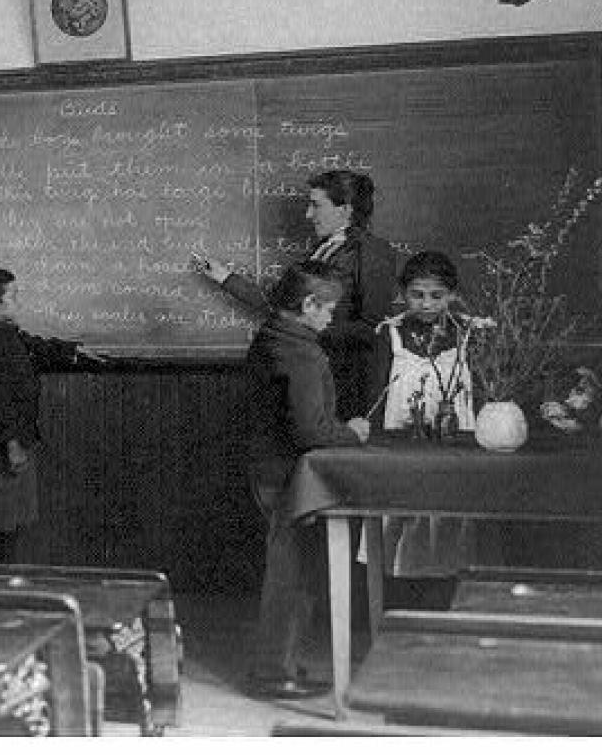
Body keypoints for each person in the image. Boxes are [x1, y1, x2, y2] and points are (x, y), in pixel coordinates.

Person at [244, 260, 370, 700]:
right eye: (328, 309)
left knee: (290, 572)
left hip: (269, 471)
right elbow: (311, 431)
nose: (331, 317)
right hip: (290, 477)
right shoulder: (301, 351)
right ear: (309, 304)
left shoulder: (272, 338)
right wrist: (351, 433)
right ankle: (274, 674)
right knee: (291, 576)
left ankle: (284, 666)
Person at [195, 170, 397, 420]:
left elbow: (371, 327)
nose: (308, 214)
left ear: (344, 210)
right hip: (303, 370)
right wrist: (225, 278)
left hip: (339, 377)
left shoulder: (372, 252)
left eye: (316, 205)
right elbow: (281, 305)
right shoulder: (323, 249)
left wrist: (306, 332)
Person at [369, 250, 491, 594]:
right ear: (403, 295)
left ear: (453, 294)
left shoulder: (469, 333)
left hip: (457, 449)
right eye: (416, 295)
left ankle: (450, 593)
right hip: (402, 448)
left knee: (452, 517)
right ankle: (396, 595)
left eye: (437, 296)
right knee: (402, 516)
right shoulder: (389, 334)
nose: (426, 304)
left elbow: (481, 392)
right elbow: (376, 396)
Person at [0, 268, 100, 564]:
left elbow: (32, 345)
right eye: (12, 295)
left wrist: (72, 351)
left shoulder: (3, 332)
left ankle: (3, 582)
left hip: (11, 440)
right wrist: (11, 443)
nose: (18, 300)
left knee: (10, 519)